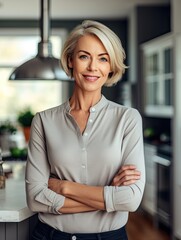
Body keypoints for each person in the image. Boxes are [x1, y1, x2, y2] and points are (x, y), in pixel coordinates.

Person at [25, 20, 145, 240]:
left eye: (103, 58)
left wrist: (65, 187)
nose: (93, 67)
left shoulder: (127, 119)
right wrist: (108, 194)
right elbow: (35, 199)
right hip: (51, 236)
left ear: (111, 67)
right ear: (70, 60)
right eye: (84, 56)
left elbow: (130, 200)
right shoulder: (44, 121)